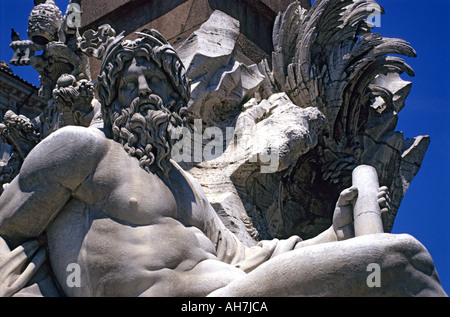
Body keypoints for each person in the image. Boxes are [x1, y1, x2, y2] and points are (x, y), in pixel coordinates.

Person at [0, 30, 446, 297]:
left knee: (376, 271)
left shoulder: (185, 187)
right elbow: (4, 228)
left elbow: (249, 258)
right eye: (126, 83)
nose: (140, 89)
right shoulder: (81, 150)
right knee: (401, 260)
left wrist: (336, 231)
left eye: (153, 79)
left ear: (177, 102)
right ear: (109, 101)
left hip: (236, 296)